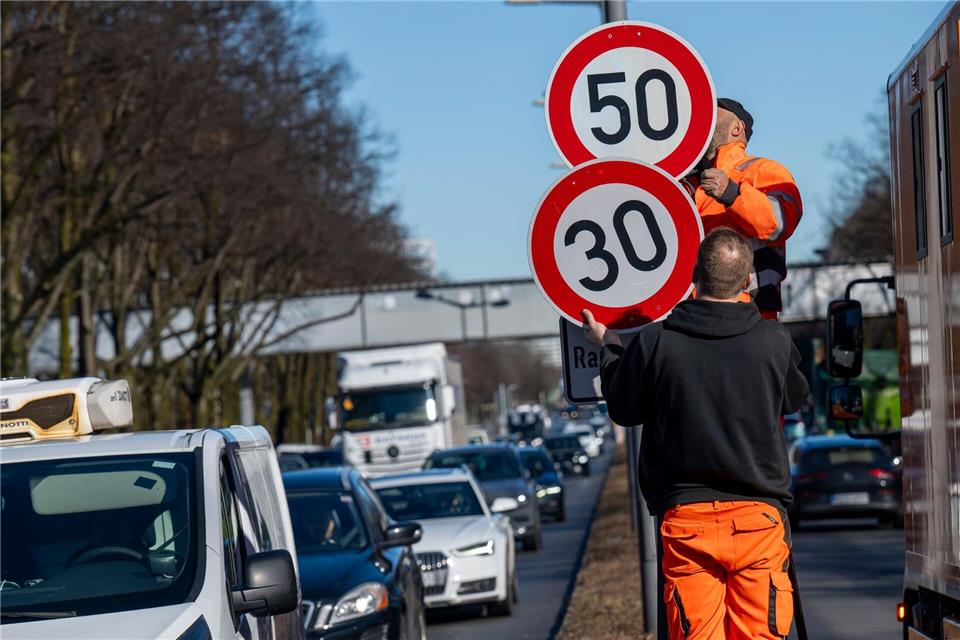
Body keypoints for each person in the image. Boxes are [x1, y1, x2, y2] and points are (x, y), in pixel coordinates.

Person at [582, 228, 810, 640]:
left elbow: (623, 407)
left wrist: (611, 347)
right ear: (746, 281)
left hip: (687, 519)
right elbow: (795, 398)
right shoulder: (773, 341)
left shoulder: (657, 342)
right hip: (758, 518)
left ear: (693, 274)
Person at [683, 98, 803, 319]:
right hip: (687, 316)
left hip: (750, 316)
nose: (703, 119)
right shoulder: (684, 184)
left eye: (712, 113)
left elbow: (781, 221)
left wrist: (732, 194)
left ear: (737, 127)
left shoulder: (763, 170)